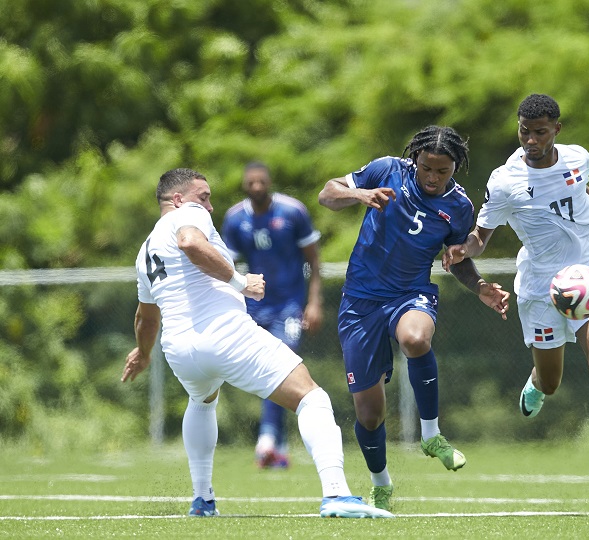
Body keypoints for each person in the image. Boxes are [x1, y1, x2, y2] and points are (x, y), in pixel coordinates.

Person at [122, 167, 393, 519]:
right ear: (178, 199)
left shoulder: (145, 251)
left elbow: (146, 317)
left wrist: (143, 353)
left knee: (201, 402)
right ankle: (337, 494)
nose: (210, 206)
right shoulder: (188, 216)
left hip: (179, 349)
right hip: (223, 333)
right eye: (203, 197)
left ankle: (202, 500)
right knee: (313, 399)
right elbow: (190, 242)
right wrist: (239, 282)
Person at [442, 94, 589, 494]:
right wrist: (464, 250)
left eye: (540, 133)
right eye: (524, 132)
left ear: (557, 131)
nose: (530, 140)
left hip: (588, 280)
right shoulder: (504, 181)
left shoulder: (578, 158)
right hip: (540, 291)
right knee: (551, 382)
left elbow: (585, 194)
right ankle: (536, 383)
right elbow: (482, 236)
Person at [318, 125, 510, 511]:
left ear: (456, 167)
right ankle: (381, 483)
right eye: (427, 168)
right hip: (360, 301)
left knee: (416, 338)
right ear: (415, 161)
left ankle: (431, 435)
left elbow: (458, 259)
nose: (434, 178)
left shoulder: (458, 206)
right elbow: (327, 194)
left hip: (410, 293)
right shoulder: (386, 170)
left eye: (443, 171)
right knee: (370, 416)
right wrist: (359, 194)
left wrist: (480, 287)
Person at [222, 161, 323, 470]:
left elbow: (314, 261)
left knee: (283, 364)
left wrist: (314, 302)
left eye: (261, 181)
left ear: (269, 182)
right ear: (244, 186)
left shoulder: (292, 212)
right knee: (264, 370)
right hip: (253, 307)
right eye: (250, 183)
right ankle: (276, 447)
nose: (256, 187)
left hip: (289, 305)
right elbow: (224, 267)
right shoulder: (235, 219)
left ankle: (266, 439)